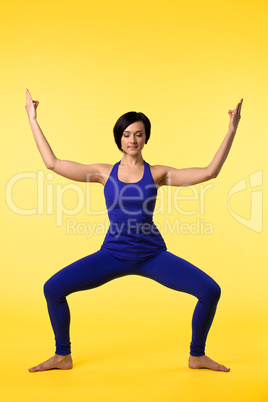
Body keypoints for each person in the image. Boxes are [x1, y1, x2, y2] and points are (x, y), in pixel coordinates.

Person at [25, 89, 243, 373]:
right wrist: (32, 119)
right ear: (119, 138)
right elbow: (52, 163)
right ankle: (62, 355)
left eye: (138, 134)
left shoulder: (158, 174)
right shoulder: (104, 173)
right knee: (53, 288)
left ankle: (197, 355)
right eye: (127, 134)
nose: (132, 139)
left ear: (146, 138)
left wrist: (231, 130)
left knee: (210, 291)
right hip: (112, 254)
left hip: (152, 255)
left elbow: (209, 171)